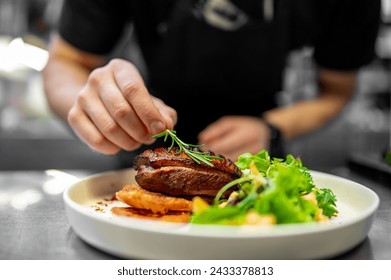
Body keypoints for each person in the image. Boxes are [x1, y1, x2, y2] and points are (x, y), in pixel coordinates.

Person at [43, 0, 380, 164]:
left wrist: (271, 128)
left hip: (257, 158)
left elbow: (337, 91)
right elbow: (68, 62)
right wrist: (95, 104)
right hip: (147, 144)